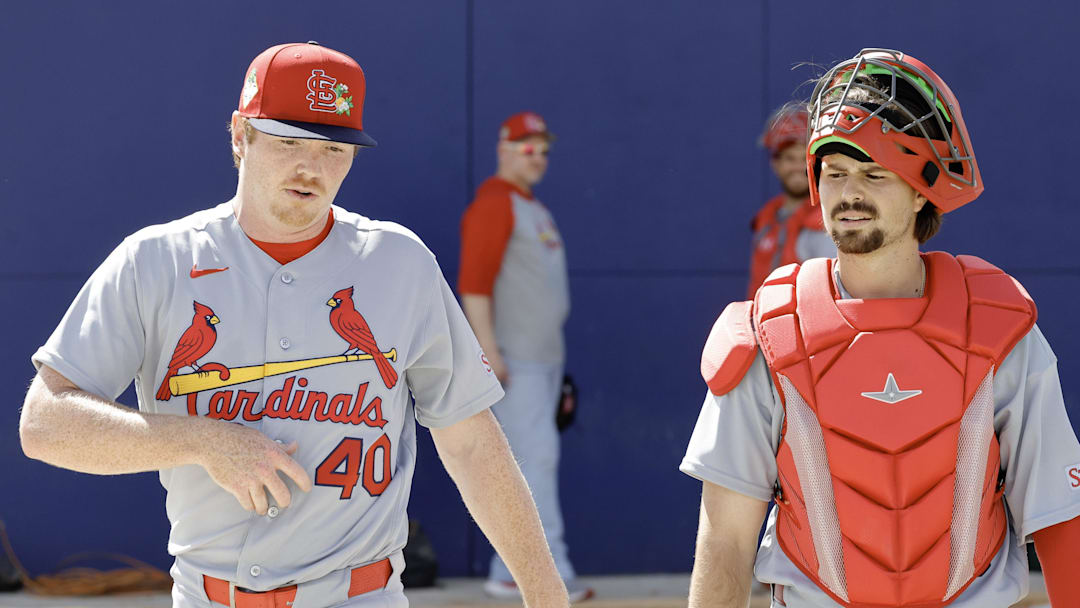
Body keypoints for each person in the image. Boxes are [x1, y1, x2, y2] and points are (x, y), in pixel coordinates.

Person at [19, 42, 570, 608]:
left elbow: (473, 443)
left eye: (334, 148)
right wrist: (203, 441)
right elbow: (45, 424)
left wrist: (547, 597)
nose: (311, 168)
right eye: (287, 143)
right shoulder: (155, 261)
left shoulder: (399, 264)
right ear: (240, 134)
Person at [682, 48, 1080, 608]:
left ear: (923, 190)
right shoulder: (768, 334)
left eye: (875, 173)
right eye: (836, 173)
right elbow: (724, 540)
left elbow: (1059, 517)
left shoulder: (999, 328)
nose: (849, 194)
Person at [458, 113, 591, 602]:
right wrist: (489, 352)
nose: (538, 157)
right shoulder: (495, 204)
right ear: (504, 149)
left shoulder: (528, 205)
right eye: (527, 147)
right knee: (531, 462)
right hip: (516, 360)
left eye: (544, 149)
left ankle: (516, 569)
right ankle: (530, 572)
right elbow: (474, 284)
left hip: (541, 361)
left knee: (535, 461)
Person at [748, 104, 836, 298]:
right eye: (789, 158)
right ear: (775, 164)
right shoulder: (768, 218)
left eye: (803, 158)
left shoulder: (828, 222)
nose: (798, 167)